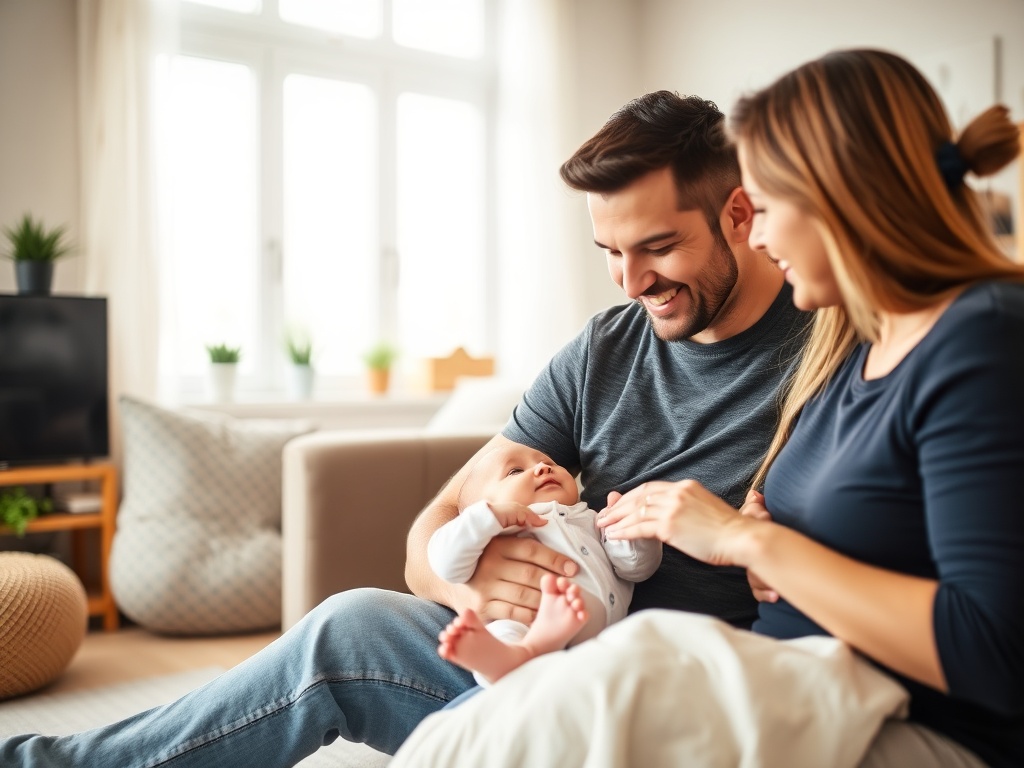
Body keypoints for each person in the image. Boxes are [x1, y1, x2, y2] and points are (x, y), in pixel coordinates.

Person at [0, 91, 811, 767]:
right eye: (610, 251)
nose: (633, 283)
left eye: (658, 248)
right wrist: (466, 586)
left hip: (657, 691)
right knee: (349, 622)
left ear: (739, 213)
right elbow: (428, 532)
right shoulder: (606, 348)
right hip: (523, 661)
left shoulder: (821, 353)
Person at [411, 49, 1022, 767]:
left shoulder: (980, 335)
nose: (756, 234)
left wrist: (749, 542)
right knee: (393, 650)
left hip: (880, 713)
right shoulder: (853, 347)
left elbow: (997, 649)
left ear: (837, 197)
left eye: (763, 208)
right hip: (789, 680)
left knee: (564, 698)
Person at [429, 443, 662, 684]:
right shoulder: (494, 532)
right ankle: (504, 662)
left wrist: (630, 530)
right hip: (526, 624)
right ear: (482, 505)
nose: (542, 467)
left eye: (550, 463)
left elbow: (635, 569)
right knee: (504, 633)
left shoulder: (592, 521)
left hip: (608, 648)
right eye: (514, 472)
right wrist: (485, 518)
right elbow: (445, 564)